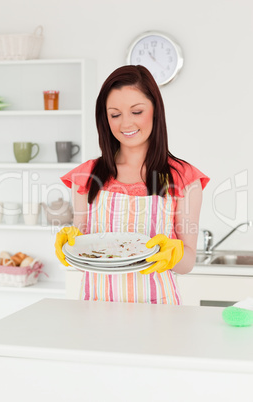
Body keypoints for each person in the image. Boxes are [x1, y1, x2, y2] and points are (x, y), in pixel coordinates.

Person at [55, 65, 209, 304]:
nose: (126, 124)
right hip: (95, 311)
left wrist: (174, 253)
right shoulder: (86, 176)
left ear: (155, 110)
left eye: (136, 111)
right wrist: (69, 245)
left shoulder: (182, 177)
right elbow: (82, 249)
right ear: (105, 119)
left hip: (160, 315)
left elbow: (187, 263)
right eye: (115, 115)